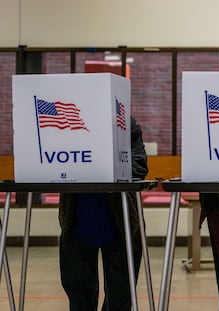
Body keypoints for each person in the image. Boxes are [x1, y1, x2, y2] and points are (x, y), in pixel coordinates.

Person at [58, 116, 148, 311]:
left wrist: (103, 168)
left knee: (120, 298)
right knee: (79, 298)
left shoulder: (125, 123)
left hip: (121, 224)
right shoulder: (66, 125)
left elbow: (140, 167)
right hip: (77, 222)